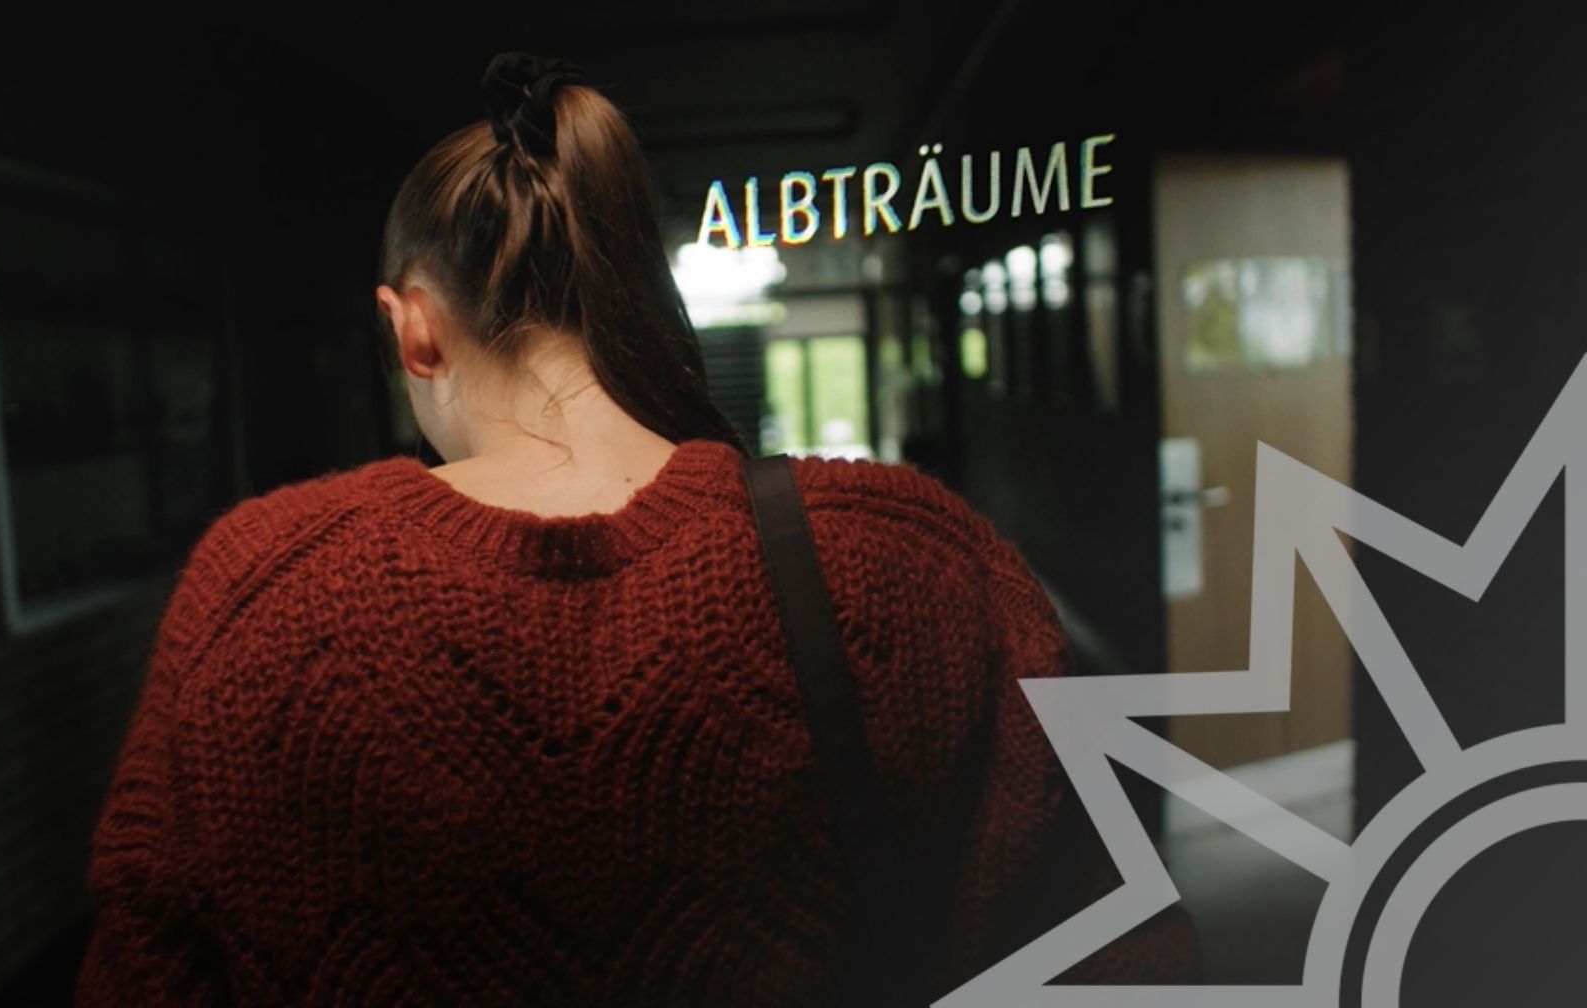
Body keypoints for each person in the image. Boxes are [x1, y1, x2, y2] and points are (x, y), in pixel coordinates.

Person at [75, 52, 1198, 1006]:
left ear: (412, 328)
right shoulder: (909, 562)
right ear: (640, 289)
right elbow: (1110, 955)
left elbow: (146, 970)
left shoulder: (264, 588)